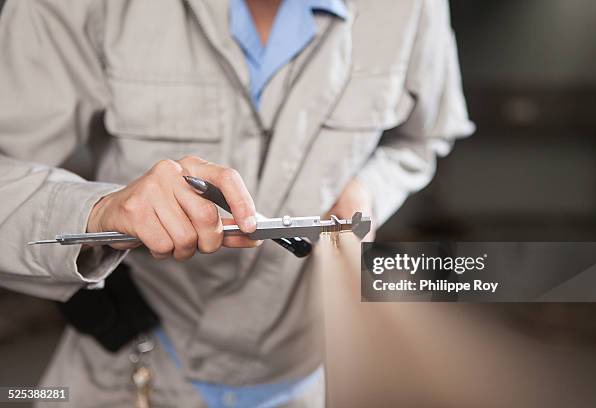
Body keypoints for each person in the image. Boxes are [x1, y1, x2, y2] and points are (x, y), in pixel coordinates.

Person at [0, 0, 474, 406]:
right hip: (123, 367)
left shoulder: (412, 10)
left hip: (305, 377)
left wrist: (368, 187)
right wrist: (100, 210)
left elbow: (425, 139)